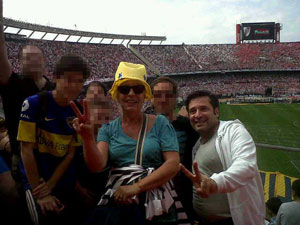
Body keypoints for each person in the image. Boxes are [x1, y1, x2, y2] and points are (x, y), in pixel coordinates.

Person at [71, 62, 184, 225]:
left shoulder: (160, 123)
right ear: (116, 94)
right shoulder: (108, 129)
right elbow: (97, 165)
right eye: (124, 89)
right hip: (122, 207)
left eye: (138, 89)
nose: (131, 94)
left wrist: (136, 187)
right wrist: (88, 138)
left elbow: (173, 163)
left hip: (156, 206)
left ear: (144, 94)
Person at [17, 54, 89, 225]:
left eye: (79, 81)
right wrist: (40, 192)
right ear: (55, 77)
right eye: (69, 79)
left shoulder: (78, 110)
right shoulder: (33, 103)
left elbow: (70, 154)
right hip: (36, 182)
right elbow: (25, 150)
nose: (74, 86)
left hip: (62, 183)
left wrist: (51, 185)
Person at [180, 90, 265, 225]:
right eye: (192, 111)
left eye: (203, 109)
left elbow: (246, 166)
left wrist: (214, 183)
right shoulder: (197, 145)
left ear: (217, 112)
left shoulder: (234, 131)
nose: (197, 115)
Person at [0, 0, 55, 184]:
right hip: (23, 157)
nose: (33, 61)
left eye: (37, 57)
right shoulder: (13, 84)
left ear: (44, 61)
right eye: (27, 58)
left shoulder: (54, 88)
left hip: (54, 156)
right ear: (19, 63)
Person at [150, 76, 199, 221]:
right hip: (153, 195)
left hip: (183, 195)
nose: (163, 99)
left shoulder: (188, 126)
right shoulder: (143, 126)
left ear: (176, 97)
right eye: (158, 95)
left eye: (168, 94)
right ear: (151, 98)